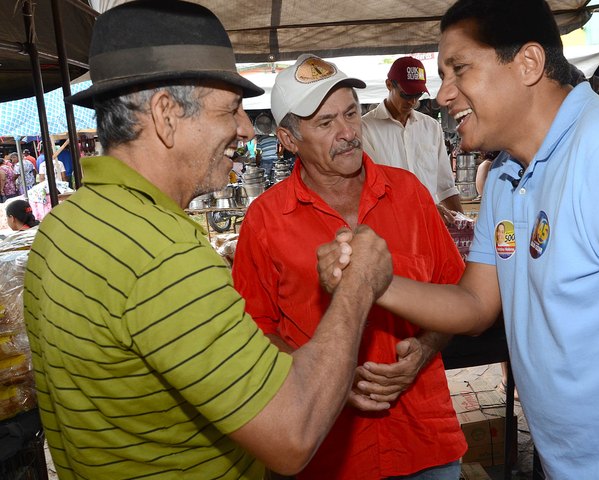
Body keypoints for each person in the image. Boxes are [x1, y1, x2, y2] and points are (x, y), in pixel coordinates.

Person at [318, 0, 599, 478]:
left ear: (528, 63)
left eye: (459, 70)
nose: (443, 95)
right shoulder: (507, 173)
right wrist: (374, 280)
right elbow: (475, 303)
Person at [23, 3, 391, 480]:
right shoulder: (162, 255)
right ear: (166, 115)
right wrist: (358, 285)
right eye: (230, 109)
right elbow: (293, 433)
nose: (245, 128)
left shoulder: (65, 225)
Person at [232, 54, 467, 480]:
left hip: (423, 439)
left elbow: (455, 293)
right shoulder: (265, 220)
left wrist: (424, 350)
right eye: (325, 123)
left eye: (351, 113)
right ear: (288, 139)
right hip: (328, 454)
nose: (347, 132)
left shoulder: (410, 194)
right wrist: (323, 377)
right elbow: (254, 331)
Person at [362, 56, 464, 224]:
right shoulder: (365, 129)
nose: (412, 101)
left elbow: (445, 187)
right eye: (406, 94)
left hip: (429, 224)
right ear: (389, 85)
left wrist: (463, 223)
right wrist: (424, 208)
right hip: (390, 225)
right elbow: (375, 188)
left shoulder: (431, 127)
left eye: (418, 95)